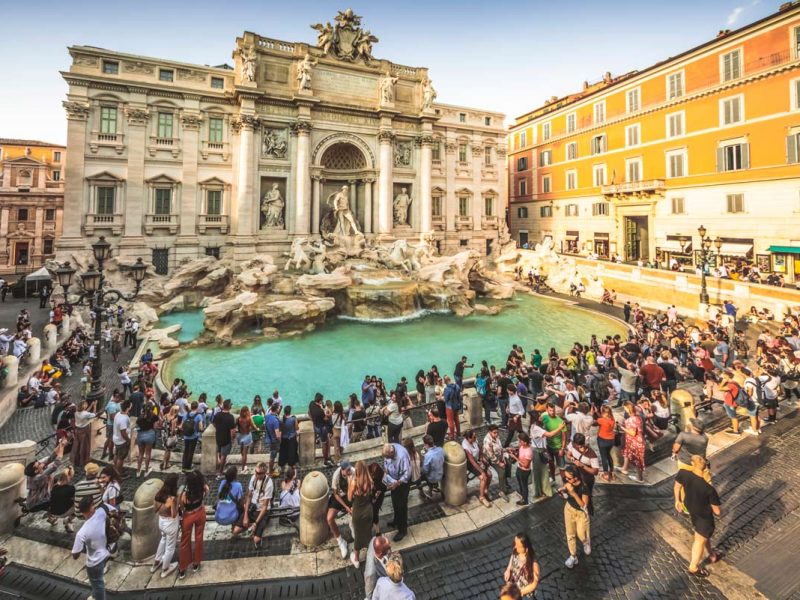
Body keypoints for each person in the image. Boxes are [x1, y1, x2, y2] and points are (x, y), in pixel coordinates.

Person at [674, 455, 722, 578]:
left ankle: (712, 555)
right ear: (706, 468)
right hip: (704, 518)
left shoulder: (683, 473)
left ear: (692, 463)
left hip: (692, 512)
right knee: (699, 540)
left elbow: (677, 486)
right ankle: (693, 567)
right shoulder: (709, 489)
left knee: (703, 536)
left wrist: (677, 501)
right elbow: (717, 512)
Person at [71, 496, 110, 600]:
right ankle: (95, 596)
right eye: (93, 504)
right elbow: (109, 507)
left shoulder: (82, 532)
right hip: (105, 554)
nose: (95, 506)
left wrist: (84, 545)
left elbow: (75, 555)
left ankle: (98, 597)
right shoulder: (101, 513)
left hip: (94, 562)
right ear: (91, 508)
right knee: (97, 581)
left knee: (98, 584)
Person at [233, 461, 272, 549]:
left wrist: (255, 523)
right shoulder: (253, 478)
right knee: (235, 531)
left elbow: (265, 507)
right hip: (253, 507)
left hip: (262, 510)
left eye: (259, 473)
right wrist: (246, 514)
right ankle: (250, 526)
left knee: (256, 540)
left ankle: (255, 529)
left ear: (264, 473)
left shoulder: (269, 484)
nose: (256, 475)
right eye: (255, 472)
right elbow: (249, 496)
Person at [178, 469, 208, 579]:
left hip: (188, 515)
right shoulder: (202, 488)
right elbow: (207, 490)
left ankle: (182, 568)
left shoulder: (185, 493)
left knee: (185, 541)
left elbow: (181, 505)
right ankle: (196, 563)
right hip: (200, 512)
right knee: (199, 537)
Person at [560, 465, 591, 569]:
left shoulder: (584, 487)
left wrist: (573, 493)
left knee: (581, 534)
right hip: (569, 509)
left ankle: (585, 542)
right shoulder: (568, 482)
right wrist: (563, 492)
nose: (566, 479)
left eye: (568, 478)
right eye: (565, 477)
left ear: (576, 477)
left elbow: (583, 505)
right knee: (570, 534)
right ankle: (573, 556)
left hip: (581, 513)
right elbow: (566, 497)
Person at [151, 473, 180, 579]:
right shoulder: (171, 498)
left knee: (163, 540)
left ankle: (156, 562)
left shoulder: (158, 494)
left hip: (161, 521)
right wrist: (173, 504)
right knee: (170, 547)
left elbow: (155, 509)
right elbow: (174, 515)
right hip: (170, 524)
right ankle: (165, 568)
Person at [383, 442, 411, 542]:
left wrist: (397, 483)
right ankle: (396, 520)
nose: (387, 459)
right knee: (395, 502)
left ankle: (403, 530)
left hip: (402, 483)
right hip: (393, 480)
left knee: (402, 506)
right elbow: (386, 463)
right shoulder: (389, 451)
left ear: (392, 452)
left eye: (388, 457)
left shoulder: (402, 456)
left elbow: (407, 475)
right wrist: (386, 474)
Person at [349, 460, 374, 568]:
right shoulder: (370, 481)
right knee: (368, 533)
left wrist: (350, 482)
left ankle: (356, 559)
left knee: (358, 535)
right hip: (368, 510)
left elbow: (349, 498)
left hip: (358, 511)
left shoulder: (354, 482)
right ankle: (370, 555)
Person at [327, 460, 354, 559]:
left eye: (349, 469)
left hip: (350, 495)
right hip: (339, 497)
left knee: (354, 512)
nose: (349, 471)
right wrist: (346, 507)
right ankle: (340, 541)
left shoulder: (353, 472)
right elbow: (336, 494)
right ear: (342, 470)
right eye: (347, 470)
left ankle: (353, 527)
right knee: (329, 518)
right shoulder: (336, 476)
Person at [720, 370, 760, 435]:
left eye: (724, 377)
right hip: (733, 402)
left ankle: (736, 431)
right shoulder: (735, 383)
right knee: (734, 416)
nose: (722, 378)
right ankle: (755, 428)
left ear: (727, 377)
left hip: (730, 403)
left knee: (733, 417)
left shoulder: (731, 385)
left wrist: (723, 382)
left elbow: (719, 388)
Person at [503, 532, 540, 598]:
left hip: (526, 594)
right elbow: (512, 557)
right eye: (515, 543)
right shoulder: (516, 550)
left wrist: (520, 592)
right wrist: (508, 569)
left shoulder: (534, 564)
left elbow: (534, 584)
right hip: (514, 586)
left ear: (526, 550)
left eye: (518, 546)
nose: (515, 547)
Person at [672, 418, 710, 482]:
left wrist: (674, 453)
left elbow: (676, 449)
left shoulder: (683, 435)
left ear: (692, 426)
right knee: (706, 481)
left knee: (684, 482)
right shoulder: (705, 438)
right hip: (699, 464)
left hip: (685, 462)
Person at [462, 429, 492, 507]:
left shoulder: (475, 440)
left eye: (475, 437)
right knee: (483, 477)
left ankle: (485, 490)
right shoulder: (465, 446)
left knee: (489, 474)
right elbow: (472, 461)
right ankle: (481, 497)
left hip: (477, 461)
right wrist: (481, 471)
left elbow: (480, 449)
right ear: (469, 438)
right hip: (470, 464)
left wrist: (481, 459)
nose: (476, 438)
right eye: (474, 437)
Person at [528, 411, 553, 499]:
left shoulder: (537, 426)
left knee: (543, 471)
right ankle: (539, 491)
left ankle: (543, 490)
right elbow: (550, 434)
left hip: (540, 450)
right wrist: (560, 427)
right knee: (538, 472)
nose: (541, 417)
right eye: (539, 416)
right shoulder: (536, 428)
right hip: (537, 452)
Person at [483, 424, 511, 500]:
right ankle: (501, 491)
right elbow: (491, 455)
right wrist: (499, 463)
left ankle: (505, 482)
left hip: (498, 454)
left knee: (508, 463)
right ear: (490, 432)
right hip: (490, 458)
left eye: (497, 432)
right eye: (494, 433)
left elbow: (500, 447)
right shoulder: (487, 441)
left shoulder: (496, 436)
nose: (496, 434)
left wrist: (503, 455)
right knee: (501, 471)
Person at [620, 401, 645, 483]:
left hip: (635, 442)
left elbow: (632, 432)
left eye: (625, 408)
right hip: (634, 441)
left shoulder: (632, 419)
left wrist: (622, 428)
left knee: (638, 460)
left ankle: (639, 478)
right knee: (627, 453)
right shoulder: (638, 416)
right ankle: (624, 468)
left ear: (627, 409)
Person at [212, 399, 236, 478]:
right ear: (229, 407)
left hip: (218, 436)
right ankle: (220, 472)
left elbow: (214, 423)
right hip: (226, 438)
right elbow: (232, 431)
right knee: (223, 455)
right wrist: (233, 438)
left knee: (220, 453)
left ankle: (221, 466)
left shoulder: (217, 415)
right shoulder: (230, 417)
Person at [48, 467, 76, 532]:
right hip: (63, 512)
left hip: (53, 511)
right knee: (79, 505)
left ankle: (52, 519)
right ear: (70, 477)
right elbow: (75, 500)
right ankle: (68, 520)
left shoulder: (54, 487)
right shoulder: (71, 488)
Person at [309, 393, 333, 466]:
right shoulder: (320, 411)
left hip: (316, 426)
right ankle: (326, 460)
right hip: (322, 428)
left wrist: (313, 419)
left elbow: (309, 413)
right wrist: (329, 414)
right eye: (322, 400)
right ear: (320, 401)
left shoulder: (311, 403)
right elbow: (326, 418)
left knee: (326, 441)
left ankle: (327, 456)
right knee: (324, 443)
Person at [135, 400, 158, 477]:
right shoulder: (154, 416)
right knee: (148, 454)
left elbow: (137, 426)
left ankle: (138, 471)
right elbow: (155, 426)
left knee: (140, 454)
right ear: (151, 408)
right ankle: (146, 471)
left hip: (141, 435)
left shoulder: (140, 417)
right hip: (150, 435)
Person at [364, 535, 391, 600]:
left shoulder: (375, 540)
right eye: (389, 548)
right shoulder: (371, 573)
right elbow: (369, 590)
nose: (390, 548)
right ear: (381, 553)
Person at [71, 401, 96, 469]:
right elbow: (94, 414)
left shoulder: (76, 412)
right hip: (84, 430)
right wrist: (94, 406)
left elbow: (85, 412)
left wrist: (90, 405)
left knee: (77, 445)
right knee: (84, 446)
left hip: (78, 430)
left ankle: (76, 460)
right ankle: (84, 461)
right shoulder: (85, 414)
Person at [181, 401, 204, 472]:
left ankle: (183, 466)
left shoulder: (185, 415)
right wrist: (202, 429)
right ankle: (188, 467)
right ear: (197, 407)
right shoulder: (199, 416)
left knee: (186, 450)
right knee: (191, 451)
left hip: (186, 436)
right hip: (194, 436)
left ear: (191, 407)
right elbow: (200, 428)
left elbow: (182, 426)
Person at [595, 405, 616, 482]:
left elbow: (595, 422)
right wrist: (597, 412)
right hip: (611, 440)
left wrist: (593, 413)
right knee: (608, 455)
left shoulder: (601, 420)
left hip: (602, 440)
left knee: (604, 457)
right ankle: (611, 472)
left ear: (603, 412)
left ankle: (606, 474)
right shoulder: (612, 419)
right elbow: (603, 418)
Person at [111, 400, 131, 477]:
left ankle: (115, 468)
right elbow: (123, 433)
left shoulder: (118, 414)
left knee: (116, 454)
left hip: (116, 438)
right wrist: (128, 440)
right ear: (128, 408)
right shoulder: (124, 419)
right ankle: (119, 473)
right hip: (122, 441)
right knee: (121, 458)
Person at [236, 405, 257, 474]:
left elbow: (235, 427)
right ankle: (243, 468)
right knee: (245, 453)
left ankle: (242, 460)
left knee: (242, 450)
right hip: (247, 436)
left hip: (240, 435)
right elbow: (254, 427)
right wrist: (257, 429)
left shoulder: (239, 419)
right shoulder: (249, 419)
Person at [264, 403, 282, 477]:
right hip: (274, 441)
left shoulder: (267, 416)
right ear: (277, 409)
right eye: (279, 408)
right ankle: (270, 471)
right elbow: (277, 435)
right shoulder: (275, 421)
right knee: (273, 456)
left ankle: (271, 469)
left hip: (269, 438)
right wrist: (280, 440)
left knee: (273, 455)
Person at [279, 405, 299, 471]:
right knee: (292, 451)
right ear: (290, 411)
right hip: (291, 437)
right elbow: (296, 428)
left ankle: (282, 464)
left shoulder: (282, 419)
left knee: (283, 451)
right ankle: (291, 464)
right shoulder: (293, 418)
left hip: (284, 437)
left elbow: (280, 429)